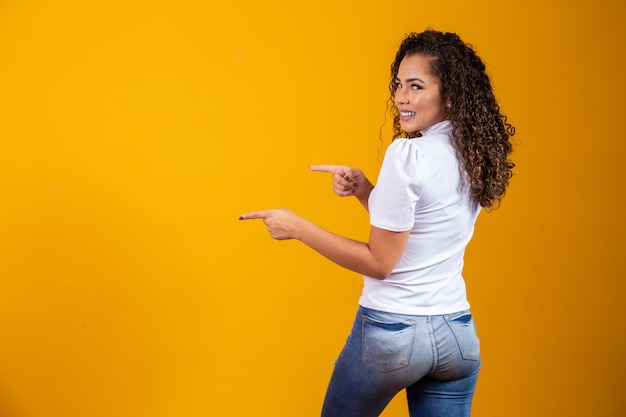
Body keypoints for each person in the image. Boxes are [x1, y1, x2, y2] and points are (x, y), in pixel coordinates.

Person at [239, 28, 515, 417]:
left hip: (394, 334)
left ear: (449, 94)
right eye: (399, 84)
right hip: (457, 334)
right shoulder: (472, 151)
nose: (401, 97)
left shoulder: (409, 153)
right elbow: (420, 230)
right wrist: (366, 190)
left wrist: (298, 227)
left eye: (416, 86)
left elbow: (380, 263)